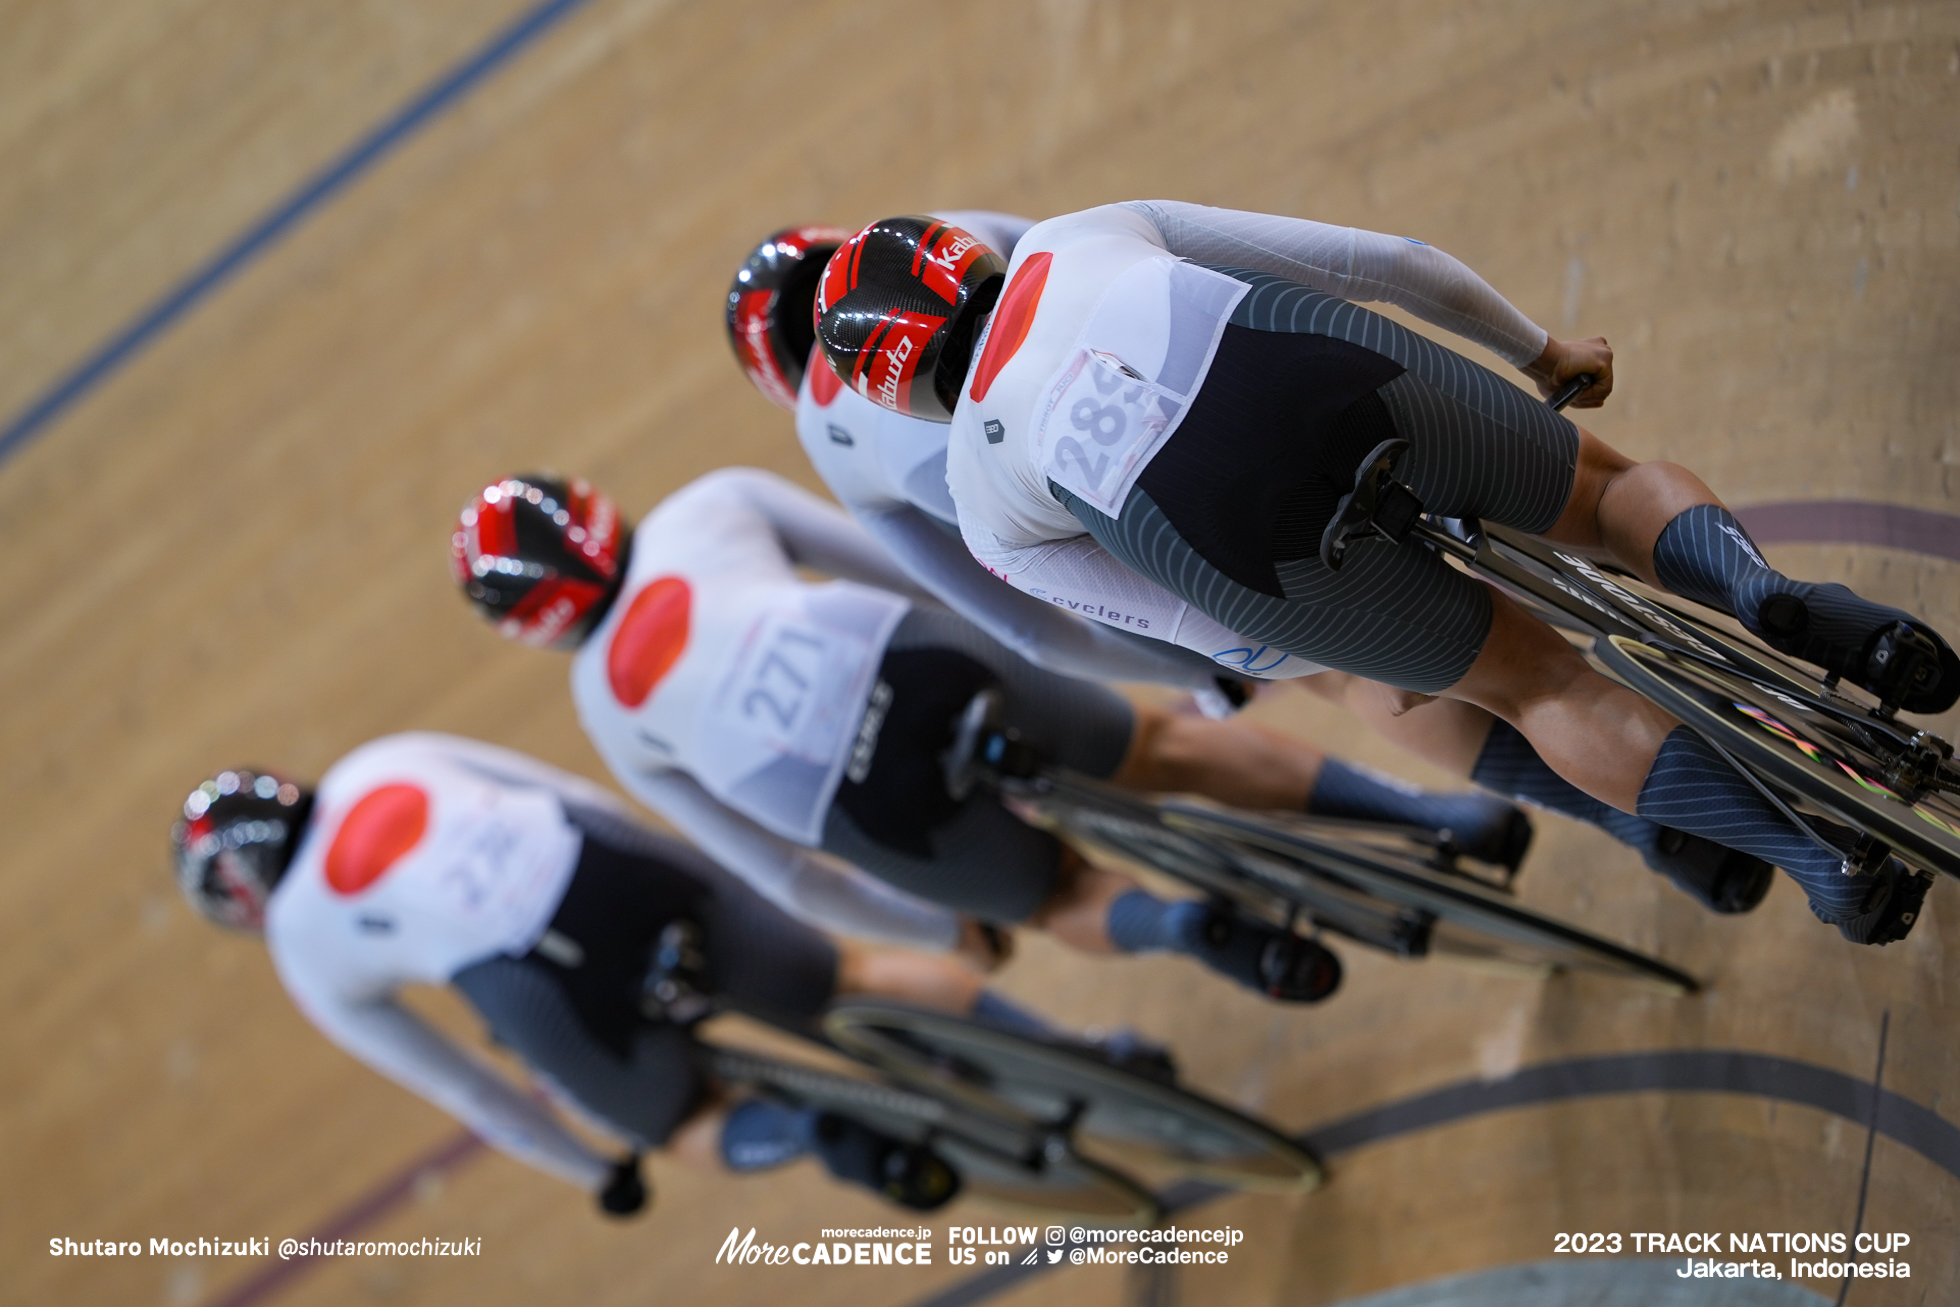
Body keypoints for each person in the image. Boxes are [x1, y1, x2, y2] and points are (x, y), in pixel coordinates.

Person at [813, 206, 1951, 944]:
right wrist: (1540, 352)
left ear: (897, 393)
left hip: (1270, 558)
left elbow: (1207, 634)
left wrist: (1354, 653)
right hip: (1333, 379)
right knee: (1604, 498)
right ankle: (1757, 592)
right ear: (968, 250)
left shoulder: (979, 499)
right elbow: (1381, 266)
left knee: (1538, 690)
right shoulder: (1074, 235)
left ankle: (1818, 857)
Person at [451, 466, 1543, 1004]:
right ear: (592, 506)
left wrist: (940, 933)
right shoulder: (710, 504)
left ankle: (1179, 923)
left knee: (1062, 892)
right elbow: (922, 567)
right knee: (1162, 750)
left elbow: (777, 868)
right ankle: (1437, 814)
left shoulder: (606, 713)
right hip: (924, 670)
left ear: (527, 629)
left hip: (873, 809)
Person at [168, 733, 1098, 1215]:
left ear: (242, 902)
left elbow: (466, 1088)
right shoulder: (382, 760)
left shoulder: (304, 948)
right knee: (846, 976)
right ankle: (1089, 1058)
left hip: (547, 993)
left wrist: (594, 1169)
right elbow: (576, 797)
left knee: (686, 1123)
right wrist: (697, 883)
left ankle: (818, 1133)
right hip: (618, 871)